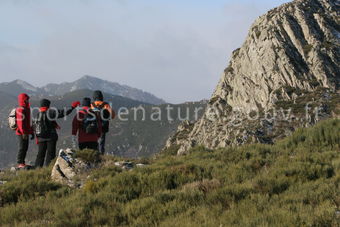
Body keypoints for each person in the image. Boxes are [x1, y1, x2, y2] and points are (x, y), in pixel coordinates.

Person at [34, 99, 80, 167]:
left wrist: (37, 138)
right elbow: (63, 112)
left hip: (41, 138)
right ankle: (49, 168)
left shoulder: (37, 115)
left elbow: (35, 126)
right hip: (51, 137)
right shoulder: (50, 112)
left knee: (40, 154)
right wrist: (72, 107)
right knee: (50, 154)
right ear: (48, 105)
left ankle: (37, 169)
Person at [16, 93, 34, 168]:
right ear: (23, 100)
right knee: (22, 147)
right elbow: (20, 123)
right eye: (26, 99)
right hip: (21, 132)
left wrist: (31, 132)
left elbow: (28, 122)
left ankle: (22, 162)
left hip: (25, 132)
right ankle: (20, 162)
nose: (28, 100)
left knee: (25, 147)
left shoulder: (26, 108)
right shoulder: (21, 109)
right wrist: (23, 133)